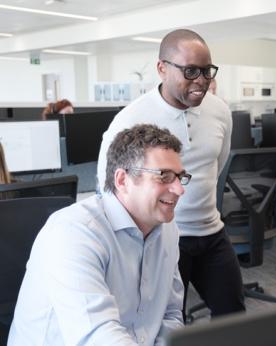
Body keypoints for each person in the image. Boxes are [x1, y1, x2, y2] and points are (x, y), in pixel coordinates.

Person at [96, 29, 244, 320]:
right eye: (190, 71)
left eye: (206, 71)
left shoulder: (220, 111)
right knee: (164, 321)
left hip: (212, 231)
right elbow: (108, 186)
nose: (201, 80)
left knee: (234, 317)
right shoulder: (131, 119)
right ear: (162, 68)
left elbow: (218, 163)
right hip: (161, 239)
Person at [8, 124, 187, 345]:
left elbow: (170, 315)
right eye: (164, 176)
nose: (180, 189)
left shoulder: (167, 229)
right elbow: (97, 336)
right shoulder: (74, 232)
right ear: (122, 180)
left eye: (180, 177)